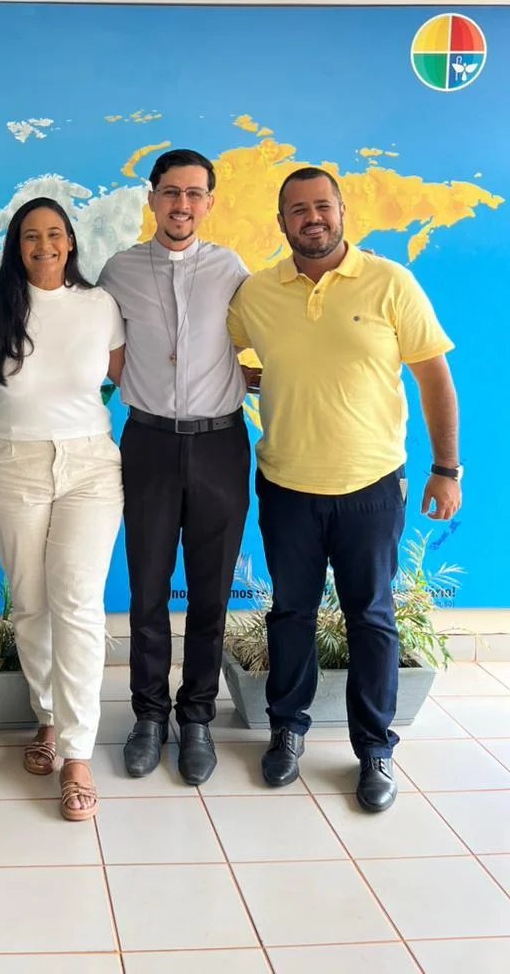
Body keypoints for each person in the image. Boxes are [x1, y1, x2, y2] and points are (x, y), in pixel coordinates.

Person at [227, 167, 460, 812]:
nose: (312, 218)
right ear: (281, 222)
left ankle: (375, 749)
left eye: (322, 206)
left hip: (372, 486)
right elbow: (209, 350)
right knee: (291, 614)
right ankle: (286, 730)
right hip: (287, 485)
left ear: (341, 211)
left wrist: (447, 468)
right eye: (298, 209)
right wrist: (245, 375)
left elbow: (434, 377)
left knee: (372, 617)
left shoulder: (391, 282)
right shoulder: (257, 293)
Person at [0, 197, 125, 822]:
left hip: (89, 464)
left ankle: (78, 754)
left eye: (55, 234)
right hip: (13, 461)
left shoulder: (99, 305)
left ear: (70, 242)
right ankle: (49, 718)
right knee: (31, 602)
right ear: (16, 245)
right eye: (31, 236)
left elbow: (122, 376)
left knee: (77, 603)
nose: (44, 245)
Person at [98, 149, 251, 785]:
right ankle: (148, 715)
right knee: (148, 588)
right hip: (150, 443)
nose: (181, 204)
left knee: (211, 591)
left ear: (209, 202)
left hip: (220, 444)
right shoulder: (119, 270)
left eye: (193, 193)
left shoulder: (232, 269)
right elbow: (94, 339)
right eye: (170, 192)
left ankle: (196, 717)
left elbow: (263, 335)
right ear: (152, 198)